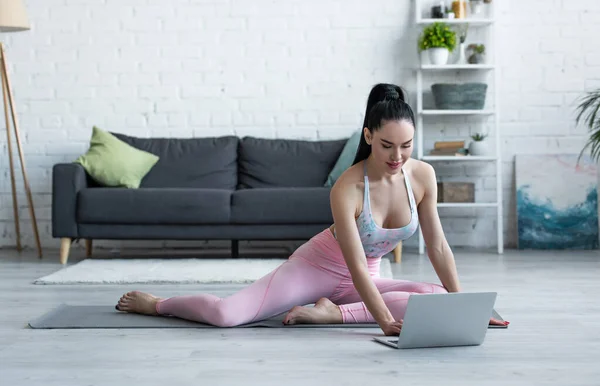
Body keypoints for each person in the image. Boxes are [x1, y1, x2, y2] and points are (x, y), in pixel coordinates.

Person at [116, 83, 509, 336]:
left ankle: (333, 314)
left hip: (362, 282)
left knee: (436, 294)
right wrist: (385, 320)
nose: (397, 156)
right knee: (227, 316)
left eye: (406, 146)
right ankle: (158, 303)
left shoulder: (422, 175)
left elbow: (438, 247)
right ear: (369, 136)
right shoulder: (348, 187)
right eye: (387, 145)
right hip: (315, 270)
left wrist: (467, 308)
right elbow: (354, 262)